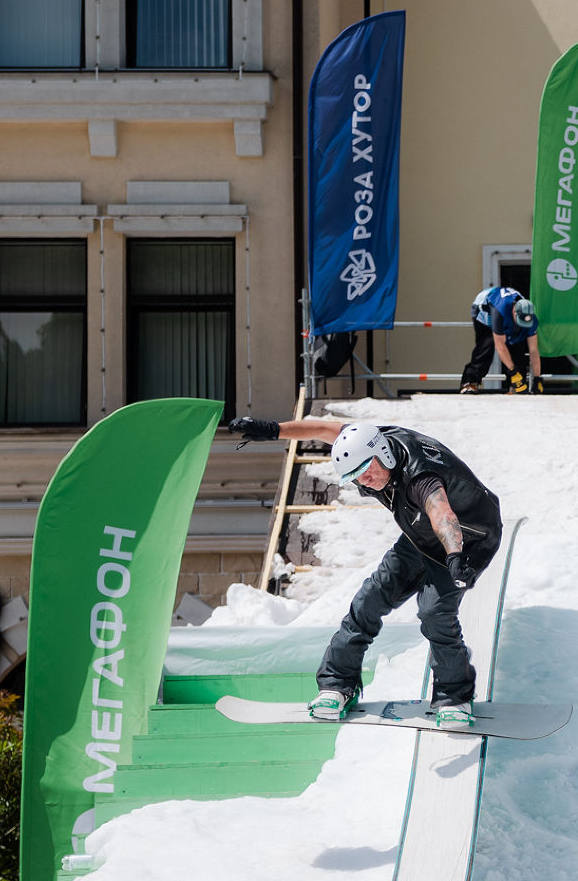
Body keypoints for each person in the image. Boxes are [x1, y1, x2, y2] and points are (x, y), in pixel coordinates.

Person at [226, 417, 502, 726]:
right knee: (368, 600)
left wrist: (454, 555)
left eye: (367, 471)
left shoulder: (420, 475)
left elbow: (442, 513)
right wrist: (274, 430)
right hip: (420, 534)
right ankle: (337, 684)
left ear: (382, 454)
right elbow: (324, 429)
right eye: (356, 477)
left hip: (467, 538)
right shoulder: (367, 440)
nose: (365, 481)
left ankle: (455, 696)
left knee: (434, 611)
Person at [462, 286, 540, 394]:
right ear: (514, 312)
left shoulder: (532, 320)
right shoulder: (499, 311)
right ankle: (470, 382)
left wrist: (537, 378)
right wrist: (513, 371)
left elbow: (533, 350)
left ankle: (515, 386)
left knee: (517, 348)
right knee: (486, 346)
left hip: (506, 313)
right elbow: (499, 346)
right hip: (484, 309)